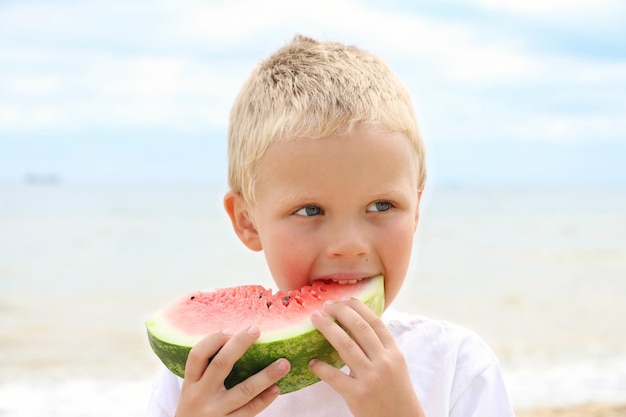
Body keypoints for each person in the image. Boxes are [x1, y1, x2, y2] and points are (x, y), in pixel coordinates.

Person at [148, 34, 515, 417]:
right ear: (247, 222)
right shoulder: (201, 378)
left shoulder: (457, 367)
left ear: (416, 210)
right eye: (310, 211)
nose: (349, 245)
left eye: (381, 205)